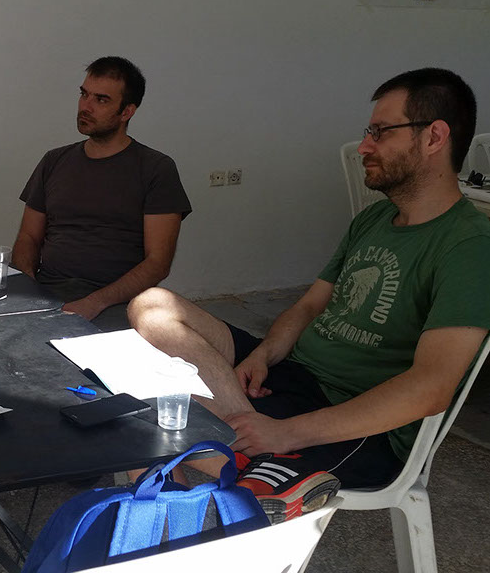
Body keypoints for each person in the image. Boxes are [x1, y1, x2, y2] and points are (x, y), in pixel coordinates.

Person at [129, 67, 490, 523]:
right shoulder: (374, 219)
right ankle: (255, 454)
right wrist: (264, 354)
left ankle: (253, 462)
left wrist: (289, 432)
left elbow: (431, 388)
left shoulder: (470, 245)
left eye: (380, 132)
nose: (365, 146)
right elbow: (308, 306)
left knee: (143, 419)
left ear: (434, 137)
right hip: (297, 379)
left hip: (359, 423)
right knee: (152, 307)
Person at [13, 57, 191, 329]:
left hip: (116, 301)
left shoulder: (156, 168)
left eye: (101, 100)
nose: (86, 106)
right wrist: (27, 287)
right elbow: (28, 236)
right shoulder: (54, 161)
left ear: (126, 112)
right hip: (48, 290)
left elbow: (158, 263)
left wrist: (95, 302)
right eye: (84, 94)